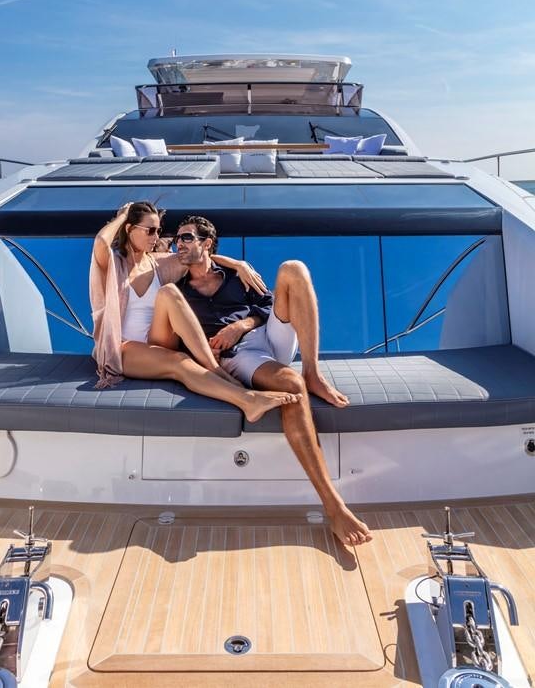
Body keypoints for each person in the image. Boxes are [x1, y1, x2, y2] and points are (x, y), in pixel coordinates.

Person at [174, 214, 372, 547]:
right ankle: (334, 506)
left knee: (293, 269)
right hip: (240, 357)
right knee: (291, 387)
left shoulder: (237, 277)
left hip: (264, 335)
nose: (177, 244)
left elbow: (267, 304)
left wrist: (240, 324)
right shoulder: (178, 290)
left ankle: (312, 371)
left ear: (206, 244)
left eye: (185, 238)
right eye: (175, 239)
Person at [89, 201, 299, 424]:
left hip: (159, 339)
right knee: (180, 362)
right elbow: (101, 243)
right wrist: (122, 216)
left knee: (169, 292)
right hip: (125, 349)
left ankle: (215, 370)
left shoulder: (159, 263)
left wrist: (238, 265)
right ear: (130, 229)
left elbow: (200, 257)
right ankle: (245, 397)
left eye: (158, 230)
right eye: (150, 230)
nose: (156, 236)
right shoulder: (113, 266)